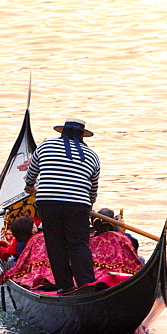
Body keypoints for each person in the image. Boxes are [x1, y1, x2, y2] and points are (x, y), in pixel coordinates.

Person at [24, 118, 101, 294]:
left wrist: (30, 187)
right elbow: (93, 187)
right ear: (82, 135)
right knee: (79, 244)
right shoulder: (92, 156)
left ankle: (65, 286)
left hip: (47, 201)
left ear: (62, 132)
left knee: (55, 243)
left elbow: (31, 173)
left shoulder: (45, 146)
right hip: (79, 204)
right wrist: (89, 205)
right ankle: (86, 286)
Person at [88, 210, 144, 289]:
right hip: (118, 269)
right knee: (141, 259)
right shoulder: (121, 236)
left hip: (94, 269)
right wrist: (119, 229)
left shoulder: (88, 237)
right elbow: (134, 246)